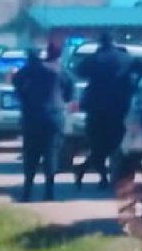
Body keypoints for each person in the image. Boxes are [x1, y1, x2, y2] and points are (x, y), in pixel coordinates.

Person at [13, 42, 73, 201]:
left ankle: (27, 192)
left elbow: (17, 86)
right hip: (54, 116)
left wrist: (25, 99)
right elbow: (70, 91)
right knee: (51, 153)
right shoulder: (59, 70)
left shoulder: (28, 71)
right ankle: (49, 192)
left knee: (31, 154)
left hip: (32, 116)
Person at [74, 32, 134, 189]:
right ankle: (102, 174)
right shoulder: (125, 58)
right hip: (118, 108)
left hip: (96, 108)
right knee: (114, 143)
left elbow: (79, 71)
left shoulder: (94, 58)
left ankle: (97, 173)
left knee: (97, 143)